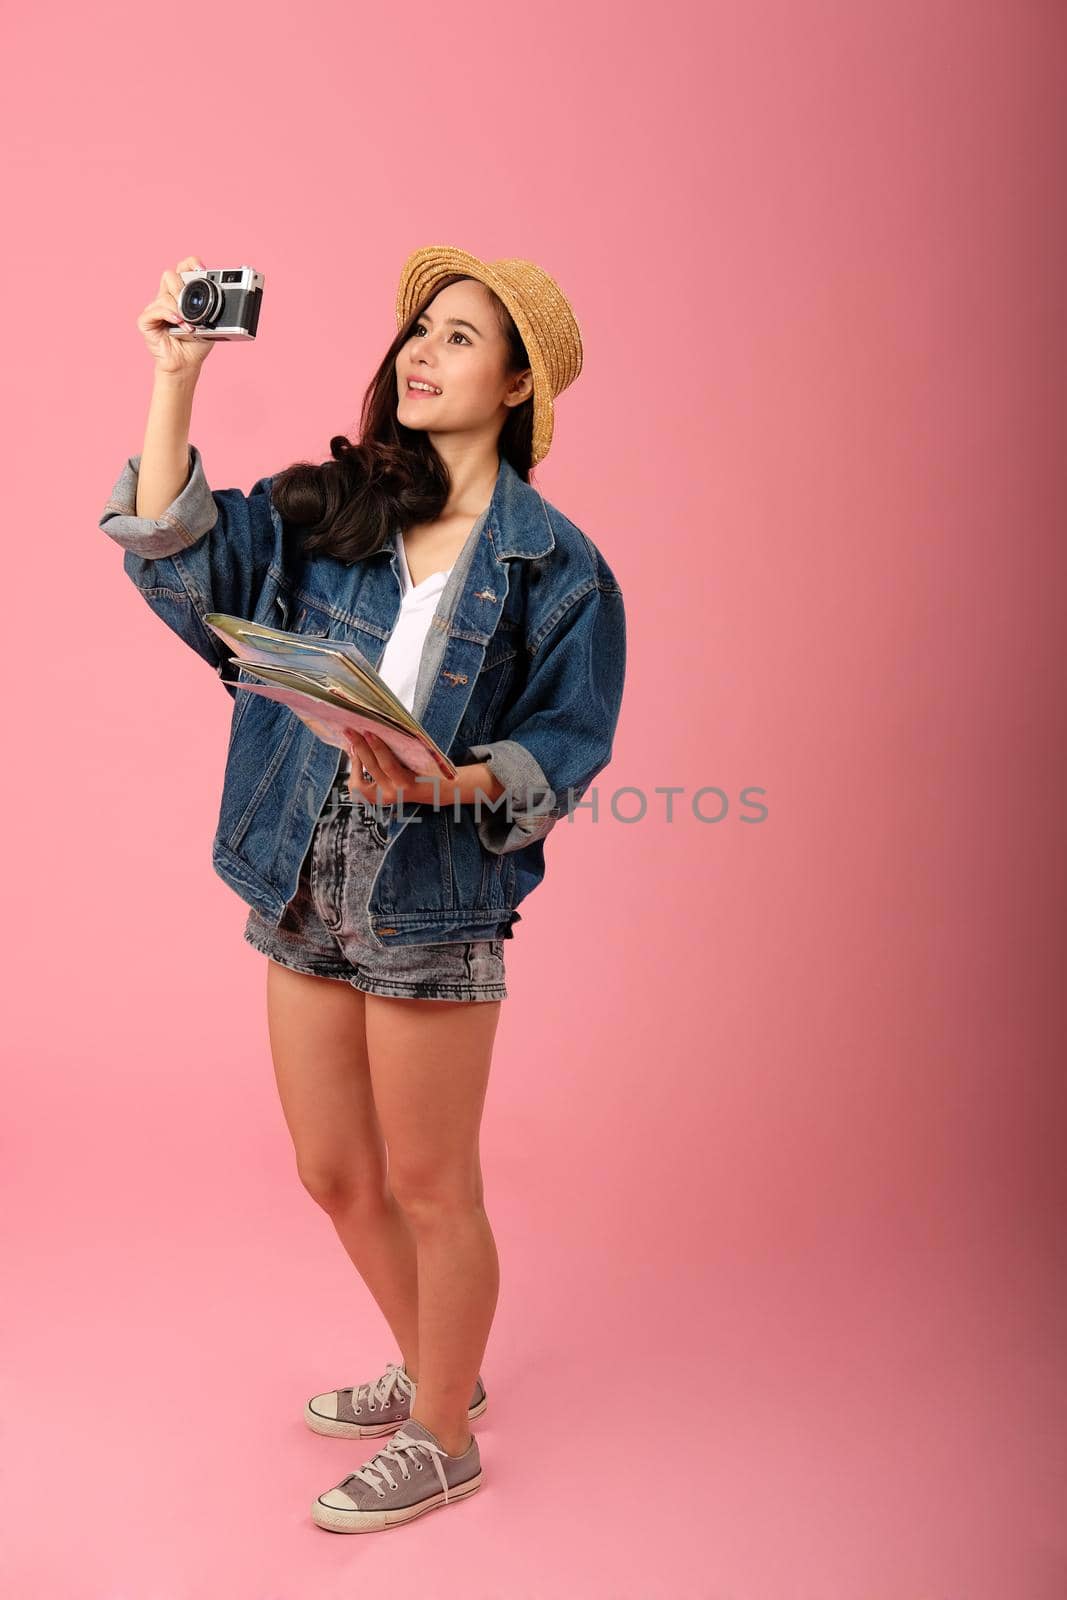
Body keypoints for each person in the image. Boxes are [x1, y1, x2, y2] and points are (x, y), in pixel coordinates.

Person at [98, 245, 627, 1534]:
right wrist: (177, 380)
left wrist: (444, 784)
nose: (421, 353)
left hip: (432, 886)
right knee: (336, 1170)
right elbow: (183, 568)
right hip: (299, 864)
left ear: (518, 388)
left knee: (434, 1181)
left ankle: (442, 1433)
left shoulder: (555, 567)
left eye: (458, 337)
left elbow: (569, 742)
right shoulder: (336, 509)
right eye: (417, 331)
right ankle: (445, 1364)